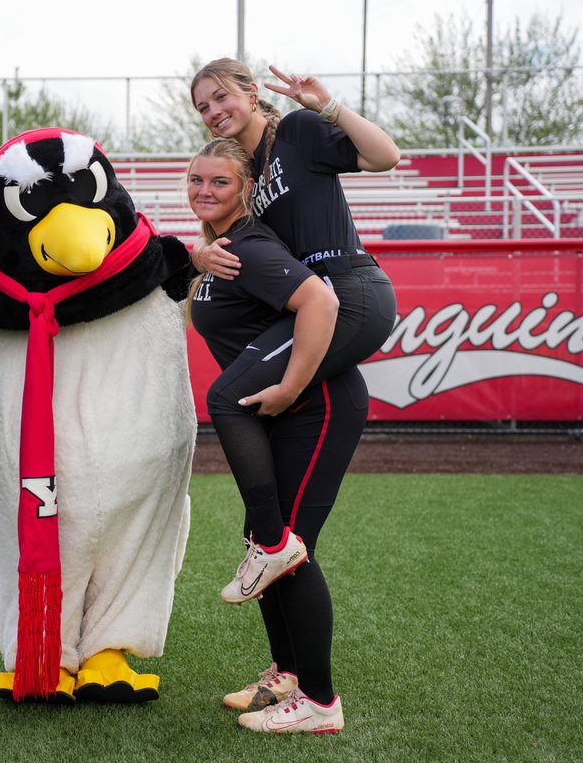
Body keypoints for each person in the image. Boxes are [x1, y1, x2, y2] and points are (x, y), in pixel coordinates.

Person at [187, 138, 370, 735]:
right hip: (285, 411)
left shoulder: (252, 246)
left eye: (219, 181)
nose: (205, 191)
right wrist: (195, 257)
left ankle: (319, 702)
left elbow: (320, 299)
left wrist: (291, 386)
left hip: (316, 406)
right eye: (196, 181)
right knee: (267, 543)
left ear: (244, 188)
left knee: (287, 549)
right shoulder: (219, 251)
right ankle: (287, 673)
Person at [189, 58, 399, 414]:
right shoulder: (242, 171)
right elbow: (224, 233)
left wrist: (328, 107)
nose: (214, 111)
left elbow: (386, 156)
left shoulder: (296, 131)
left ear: (252, 93)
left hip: (349, 290)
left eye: (222, 97)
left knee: (230, 397)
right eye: (203, 107)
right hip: (311, 301)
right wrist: (200, 252)